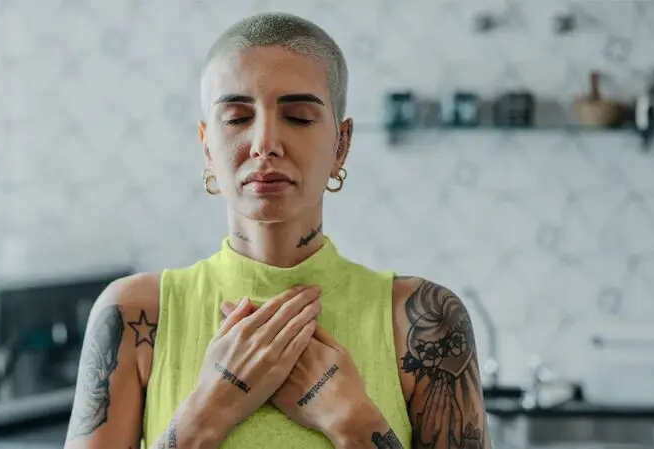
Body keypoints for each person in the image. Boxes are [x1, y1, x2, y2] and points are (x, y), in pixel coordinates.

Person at [64, 11, 491, 449]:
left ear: (341, 145)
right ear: (206, 146)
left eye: (299, 118)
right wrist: (210, 409)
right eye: (236, 118)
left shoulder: (423, 319)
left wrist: (351, 419)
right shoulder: (135, 316)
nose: (265, 143)